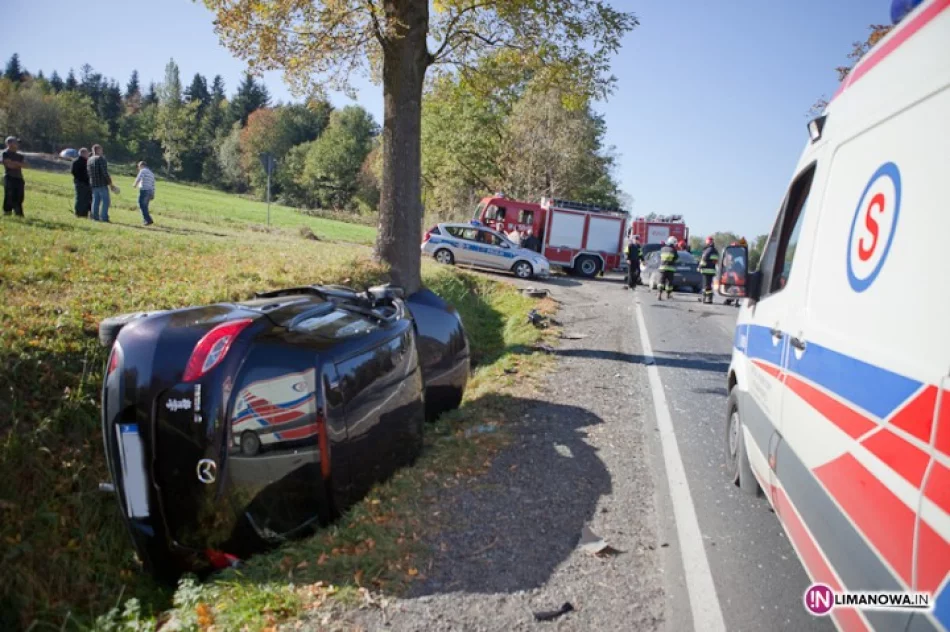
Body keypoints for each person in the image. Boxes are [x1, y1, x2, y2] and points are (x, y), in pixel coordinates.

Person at [87, 144, 113, 222]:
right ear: (98, 150)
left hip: (93, 184)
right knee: (106, 201)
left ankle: (95, 217)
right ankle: (104, 217)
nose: (102, 151)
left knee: (95, 201)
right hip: (102, 184)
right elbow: (104, 173)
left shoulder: (89, 160)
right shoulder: (100, 159)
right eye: (101, 150)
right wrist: (110, 183)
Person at [2, 136, 27, 217]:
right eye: (15, 142)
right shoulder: (5, 153)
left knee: (19, 196)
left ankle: (19, 214)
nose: (17, 144)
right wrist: (18, 164)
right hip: (9, 177)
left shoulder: (20, 156)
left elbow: (25, 165)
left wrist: (14, 163)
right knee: (9, 195)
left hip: (19, 178)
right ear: (9, 144)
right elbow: (9, 165)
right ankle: (7, 212)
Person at [698, 236, 719, 304]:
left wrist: (699, 267)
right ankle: (709, 298)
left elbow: (703, 260)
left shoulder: (707, 250)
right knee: (709, 285)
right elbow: (716, 261)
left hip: (706, 270)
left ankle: (704, 298)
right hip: (712, 270)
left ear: (707, 242)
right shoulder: (715, 251)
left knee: (705, 285)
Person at [133, 161, 155, 226]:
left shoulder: (143, 170)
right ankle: (145, 220)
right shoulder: (151, 173)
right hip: (150, 191)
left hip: (144, 190)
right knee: (145, 206)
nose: (138, 168)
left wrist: (135, 184)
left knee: (141, 205)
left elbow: (139, 177)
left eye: (139, 167)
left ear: (142, 165)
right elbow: (153, 184)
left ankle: (148, 220)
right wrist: (153, 193)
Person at [71, 148, 91, 217]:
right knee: (82, 199)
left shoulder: (75, 161)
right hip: (83, 183)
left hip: (79, 182)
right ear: (83, 153)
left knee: (82, 198)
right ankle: (80, 213)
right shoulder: (84, 162)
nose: (88, 154)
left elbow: (73, 172)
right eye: (87, 153)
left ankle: (82, 213)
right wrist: (85, 179)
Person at [657, 236, 678, 300]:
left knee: (661, 281)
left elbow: (659, 257)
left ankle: (659, 294)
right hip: (670, 268)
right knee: (669, 282)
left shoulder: (662, 248)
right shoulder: (673, 249)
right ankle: (668, 295)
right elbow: (676, 258)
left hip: (662, 268)